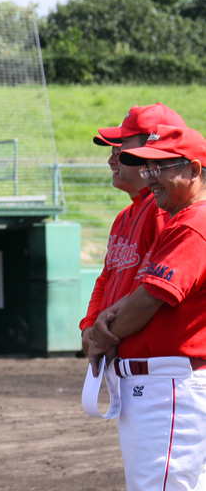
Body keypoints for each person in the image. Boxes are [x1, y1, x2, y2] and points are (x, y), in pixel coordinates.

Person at [88, 124, 206, 491]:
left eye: (161, 168)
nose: (151, 178)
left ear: (194, 170)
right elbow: (135, 290)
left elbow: (149, 298)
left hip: (169, 385)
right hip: (160, 384)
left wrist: (100, 335)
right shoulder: (179, 221)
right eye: (148, 168)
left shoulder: (194, 223)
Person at [80, 104, 185, 363]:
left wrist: (106, 333)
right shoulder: (125, 215)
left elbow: (151, 292)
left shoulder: (163, 211)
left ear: (151, 148)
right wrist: (89, 325)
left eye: (120, 147)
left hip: (150, 359)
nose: (112, 158)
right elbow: (105, 278)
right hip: (120, 352)